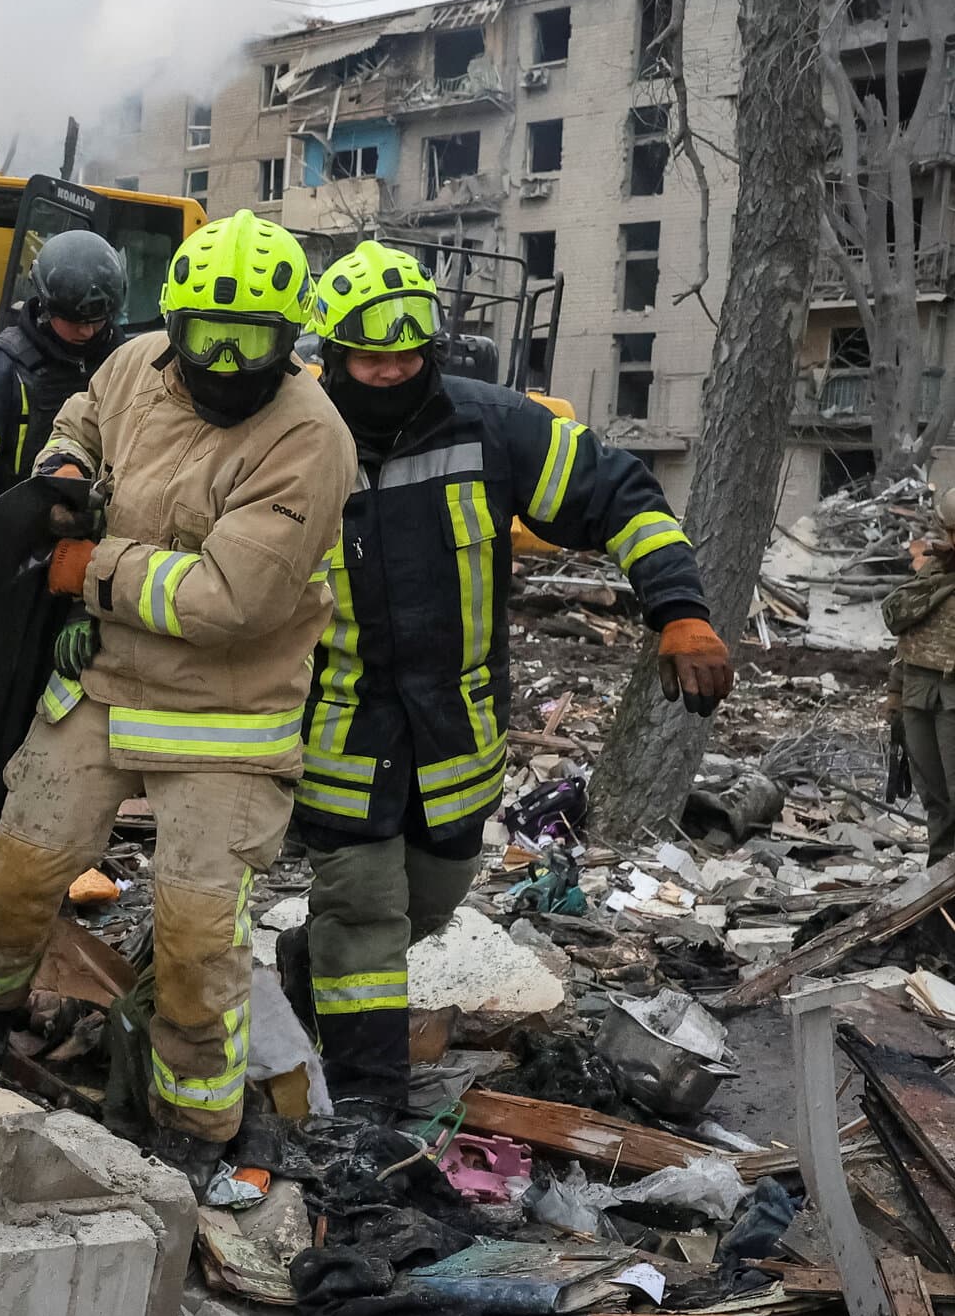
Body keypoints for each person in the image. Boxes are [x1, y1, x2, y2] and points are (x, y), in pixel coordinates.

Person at [0, 210, 358, 1195]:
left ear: (287, 336)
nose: (220, 358)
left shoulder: (312, 438)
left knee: (196, 928)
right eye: (203, 332)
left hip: (230, 717)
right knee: (14, 867)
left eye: (248, 337)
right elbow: (83, 414)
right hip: (105, 680)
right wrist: (67, 465)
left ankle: (195, 1121)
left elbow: (228, 598)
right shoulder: (135, 365)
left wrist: (92, 565)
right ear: (170, 319)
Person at [290, 240, 732, 1116]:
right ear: (331, 354)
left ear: (434, 349)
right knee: (364, 915)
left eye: (406, 357)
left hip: (455, 735)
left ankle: (310, 966)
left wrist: (678, 609)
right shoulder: (294, 434)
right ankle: (370, 1112)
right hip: (339, 728)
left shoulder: (492, 424)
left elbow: (623, 496)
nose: (387, 375)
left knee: (430, 897)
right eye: (368, 359)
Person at [0, 230, 126, 502]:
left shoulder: (127, 367)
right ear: (46, 306)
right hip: (11, 538)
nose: (88, 332)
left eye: (99, 320)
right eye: (76, 321)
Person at [883, 487, 955, 862]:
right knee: (934, 798)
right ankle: (940, 890)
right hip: (919, 692)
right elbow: (907, 633)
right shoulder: (935, 568)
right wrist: (895, 694)